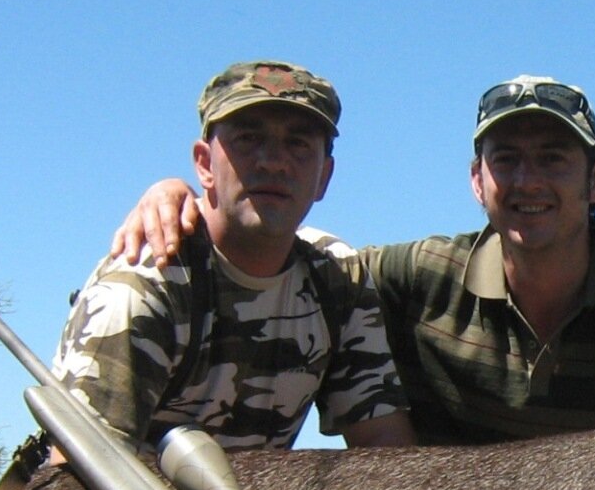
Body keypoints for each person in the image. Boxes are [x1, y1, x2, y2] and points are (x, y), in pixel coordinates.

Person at [115, 74, 595, 444]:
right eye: (507, 159)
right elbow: (283, 254)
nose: (528, 180)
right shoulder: (408, 277)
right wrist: (182, 200)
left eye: (554, 158)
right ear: (477, 180)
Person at [57, 60, 416, 453]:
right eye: (247, 138)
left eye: (298, 144)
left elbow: (383, 444)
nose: (273, 161)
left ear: (324, 177)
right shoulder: (146, 283)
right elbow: (78, 478)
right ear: (204, 164)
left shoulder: (338, 275)